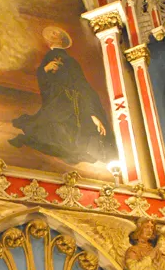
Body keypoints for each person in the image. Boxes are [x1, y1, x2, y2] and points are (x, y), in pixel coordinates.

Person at [10, 26, 115, 165]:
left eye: (58, 33)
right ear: (48, 40)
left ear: (62, 39)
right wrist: (45, 69)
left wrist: (92, 114)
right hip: (57, 101)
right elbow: (45, 80)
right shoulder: (48, 57)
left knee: (61, 129)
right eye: (52, 34)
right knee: (50, 125)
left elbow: (82, 86)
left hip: (71, 102)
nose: (54, 35)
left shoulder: (71, 62)